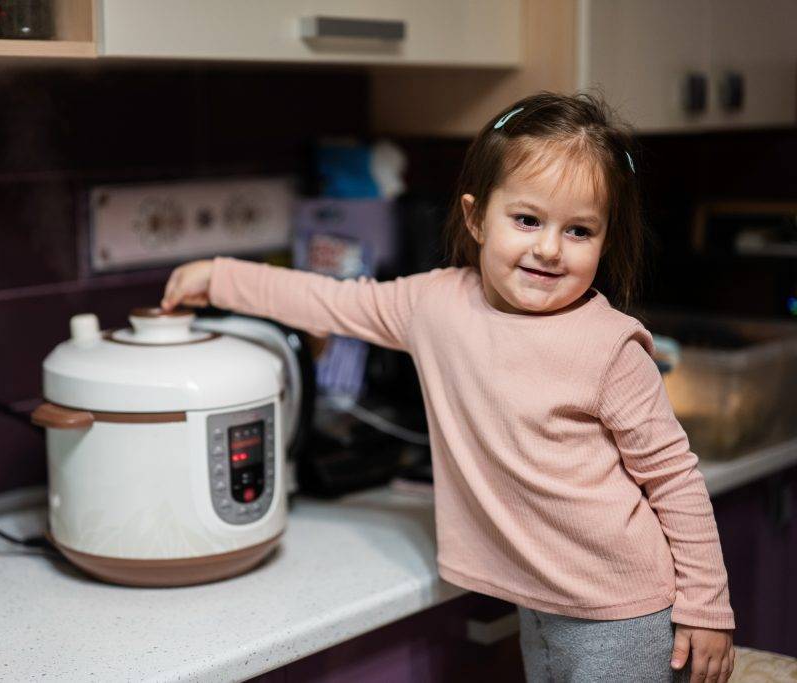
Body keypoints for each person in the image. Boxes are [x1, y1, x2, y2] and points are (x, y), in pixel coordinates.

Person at [161, 92, 735, 682]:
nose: (548, 248)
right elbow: (331, 301)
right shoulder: (433, 304)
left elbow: (675, 479)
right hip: (537, 597)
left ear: (606, 241)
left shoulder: (611, 348)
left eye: (579, 230)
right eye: (527, 219)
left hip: (622, 609)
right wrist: (221, 277)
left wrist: (706, 606)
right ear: (476, 218)